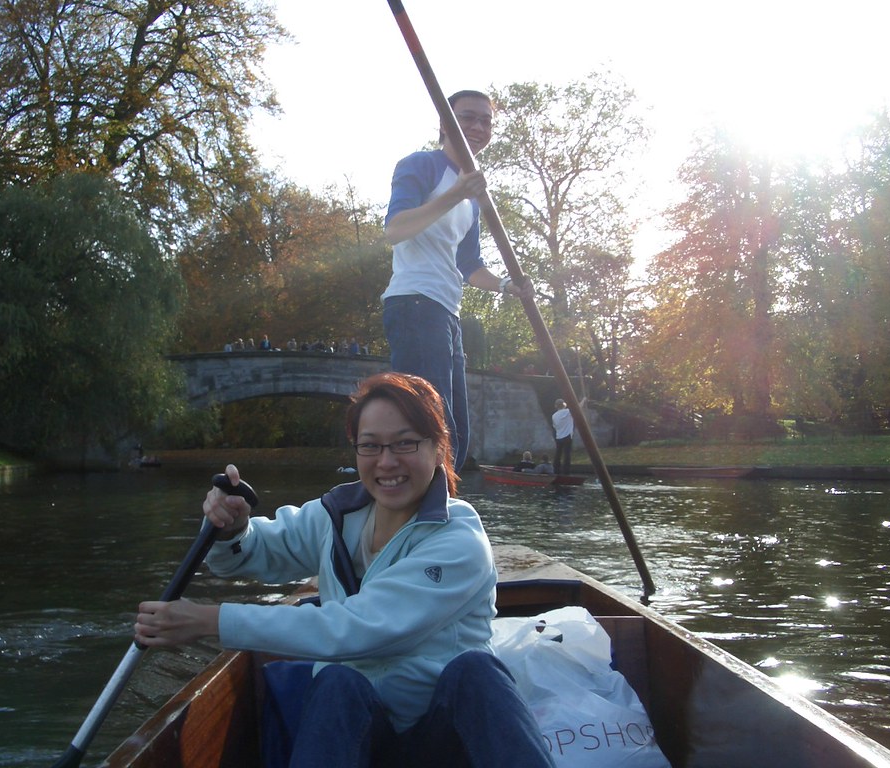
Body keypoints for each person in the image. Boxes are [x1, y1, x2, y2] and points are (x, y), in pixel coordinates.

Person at [133, 372, 554, 768]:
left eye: (405, 444)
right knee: (337, 682)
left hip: (445, 744)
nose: (386, 462)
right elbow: (252, 553)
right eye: (370, 445)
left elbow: (359, 628)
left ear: (438, 448)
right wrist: (232, 528)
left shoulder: (458, 539)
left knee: (476, 672)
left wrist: (211, 620)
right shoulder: (336, 515)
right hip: (359, 738)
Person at [382, 90, 533, 471]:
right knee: (429, 424)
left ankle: (438, 510)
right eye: (467, 117)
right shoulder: (420, 166)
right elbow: (396, 230)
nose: (478, 127)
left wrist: (505, 286)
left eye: (485, 120)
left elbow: (469, 264)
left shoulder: (471, 198)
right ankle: (411, 511)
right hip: (414, 303)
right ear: (445, 124)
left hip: (447, 312)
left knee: (457, 435)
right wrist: (454, 194)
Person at [552, 398, 573, 475]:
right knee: (567, 454)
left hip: (559, 437)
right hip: (567, 436)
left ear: (556, 406)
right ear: (563, 405)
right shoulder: (568, 412)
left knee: (558, 454)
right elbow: (578, 408)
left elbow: (555, 426)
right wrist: (584, 401)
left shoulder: (554, 416)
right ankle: (566, 473)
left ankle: (556, 471)